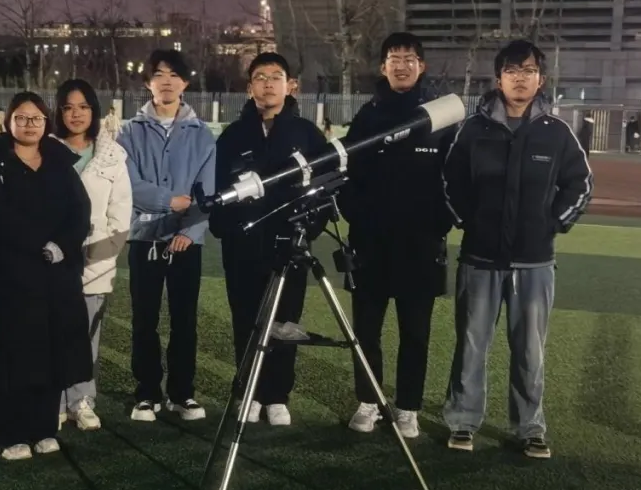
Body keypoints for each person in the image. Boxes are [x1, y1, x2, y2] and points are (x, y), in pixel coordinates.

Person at [442, 39, 593, 459]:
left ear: (540, 79)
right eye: (512, 70)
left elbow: (580, 183)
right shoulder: (472, 131)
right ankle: (463, 422)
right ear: (499, 79)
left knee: (530, 351)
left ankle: (529, 427)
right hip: (480, 259)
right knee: (471, 345)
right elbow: (450, 181)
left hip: (534, 262)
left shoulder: (556, 132)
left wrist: (552, 224)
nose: (520, 78)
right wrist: (467, 220)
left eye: (528, 71)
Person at [339, 33, 455, 439]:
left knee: (415, 333)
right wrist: (357, 216)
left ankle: (408, 408)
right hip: (370, 244)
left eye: (409, 58)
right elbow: (347, 174)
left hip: (420, 246)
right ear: (383, 67)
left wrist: (437, 223)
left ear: (421, 66)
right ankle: (368, 402)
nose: (401, 65)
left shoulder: (440, 116)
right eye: (394, 58)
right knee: (366, 331)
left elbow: (454, 178)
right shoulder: (367, 117)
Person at [210, 53, 328, 426]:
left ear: (290, 85)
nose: (268, 84)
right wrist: (228, 229)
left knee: (285, 321)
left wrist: (307, 230)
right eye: (260, 77)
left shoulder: (307, 134)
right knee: (245, 319)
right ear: (250, 87)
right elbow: (218, 189)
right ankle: (250, 392)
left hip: (289, 245)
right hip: (243, 248)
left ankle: (278, 395)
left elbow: (325, 188)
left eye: (276, 76)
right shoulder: (232, 136)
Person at [0, 92, 92, 460]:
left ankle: (43, 428)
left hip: (56, 275)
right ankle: (9, 434)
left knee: (50, 351)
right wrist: (39, 245)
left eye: (37, 118)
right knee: (11, 353)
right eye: (22, 118)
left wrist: (62, 245)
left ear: (46, 122)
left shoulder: (60, 162)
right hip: (12, 276)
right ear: (8, 121)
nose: (29, 124)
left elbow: (80, 211)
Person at [117, 49, 216, 422]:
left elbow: (207, 192)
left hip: (186, 242)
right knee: (144, 319)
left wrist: (190, 229)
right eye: (159, 74)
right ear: (148, 82)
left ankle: (182, 393)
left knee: (184, 320)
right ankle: (146, 393)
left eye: (174, 75)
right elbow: (128, 184)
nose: (167, 81)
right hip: (144, 236)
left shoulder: (201, 134)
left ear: (185, 83)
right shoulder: (129, 131)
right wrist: (168, 202)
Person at [53, 79, 132, 431]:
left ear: (94, 111)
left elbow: (120, 213)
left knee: (87, 337)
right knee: (52, 334)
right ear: (58, 112)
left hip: (93, 263)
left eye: (83, 107)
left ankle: (82, 401)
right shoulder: (45, 150)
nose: (76, 114)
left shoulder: (112, 156)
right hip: (52, 262)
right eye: (68, 107)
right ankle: (55, 399)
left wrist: (99, 254)